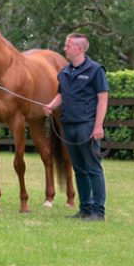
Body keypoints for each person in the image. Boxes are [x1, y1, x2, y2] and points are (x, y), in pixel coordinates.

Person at [43, 33, 109, 222]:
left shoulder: (96, 70)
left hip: (87, 127)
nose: (65, 49)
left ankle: (98, 211)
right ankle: (85, 209)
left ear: (79, 49)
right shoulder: (64, 72)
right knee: (79, 169)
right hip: (68, 126)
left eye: (68, 46)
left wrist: (98, 126)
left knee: (93, 168)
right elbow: (61, 96)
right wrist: (50, 105)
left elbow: (102, 99)